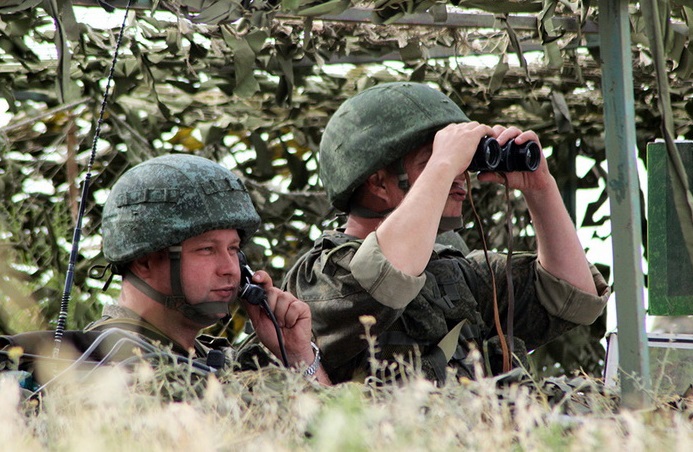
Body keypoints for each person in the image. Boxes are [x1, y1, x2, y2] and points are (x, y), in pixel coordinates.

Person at [282, 82, 610, 384]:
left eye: (460, 165)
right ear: (379, 183)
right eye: (430, 164)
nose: (459, 176)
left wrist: (541, 189)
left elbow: (572, 298)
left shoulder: (453, 271)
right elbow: (385, 276)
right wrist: (445, 162)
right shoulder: (320, 278)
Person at [83, 153, 330, 384]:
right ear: (145, 261)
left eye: (233, 249)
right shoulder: (110, 362)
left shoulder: (208, 358)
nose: (230, 269)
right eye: (207, 250)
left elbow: (343, 424)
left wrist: (297, 354)